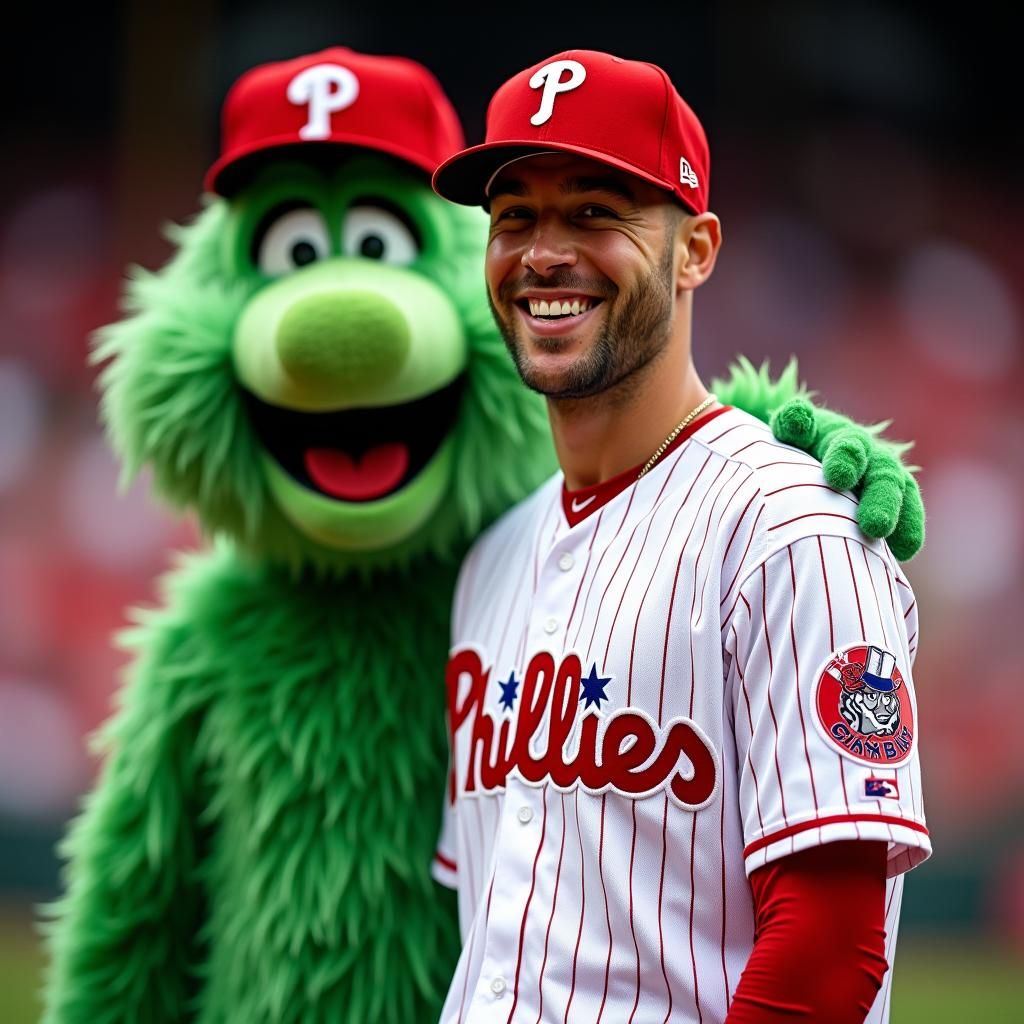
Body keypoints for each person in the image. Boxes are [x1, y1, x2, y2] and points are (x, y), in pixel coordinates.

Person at [429, 50, 929, 1024]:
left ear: (695, 249)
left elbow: (830, 952)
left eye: (593, 212)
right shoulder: (490, 558)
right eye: (514, 217)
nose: (542, 253)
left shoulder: (794, 531)